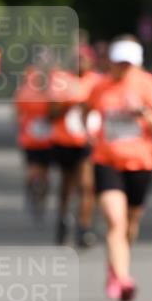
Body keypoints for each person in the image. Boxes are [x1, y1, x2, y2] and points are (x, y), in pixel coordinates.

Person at [84, 36, 152, 301]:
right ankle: (122, 279)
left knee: (130, 224)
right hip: (107, 161)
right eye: (119, 63)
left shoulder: (149, 87)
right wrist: (88, 129)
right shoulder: (100, 87)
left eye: (128, 64)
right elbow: (86, 110)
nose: (123, 69)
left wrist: (142, 111)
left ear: (137, 64)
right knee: (114, 221)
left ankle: (117, 267)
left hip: (140, 163)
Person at [49, 45, 100, 247]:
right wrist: (67, 104)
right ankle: (63, 218)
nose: (81, 63)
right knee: (67, 184)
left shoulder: (97, 81)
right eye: (77, 59)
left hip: (87, 141)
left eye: (84, 59)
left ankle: (83, 226)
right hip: (64, 140)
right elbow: (51, 113)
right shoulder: (61, 80)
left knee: (87, 185)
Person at [14, 59, 54, 221]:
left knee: (45, 174)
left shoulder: (54, 89)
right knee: (32, 172)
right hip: (30, 139)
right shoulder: (25, 91)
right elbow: (17, 112)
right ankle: (31, 192)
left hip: (49, 140)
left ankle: (41, 199)